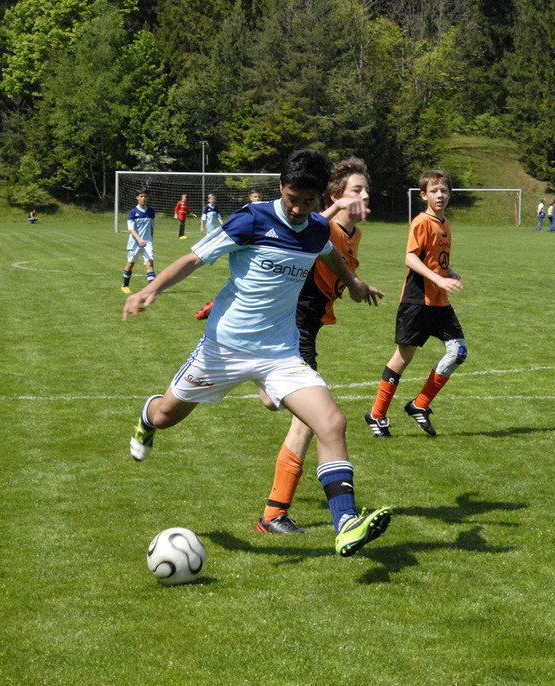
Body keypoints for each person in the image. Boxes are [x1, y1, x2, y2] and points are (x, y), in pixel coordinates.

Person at [123, 150, 391, 558]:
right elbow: (194, 258)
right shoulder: (252, 219)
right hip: (223, 350)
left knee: (332, 423)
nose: (298, 209)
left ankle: (345, 526)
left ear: (320, 197)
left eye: (307, 201)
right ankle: (147, 417)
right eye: (291, 199)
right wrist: (151, 289)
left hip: (280, 355)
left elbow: (328, 252)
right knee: (165, 417)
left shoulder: (317, 228)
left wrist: (353, 283)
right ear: (280, 188)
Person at [258, 157, 372, 535]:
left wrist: (357, 285)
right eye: (356, 190)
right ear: (335, 196)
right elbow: (305, 230)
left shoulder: (352, 235)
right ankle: (275, 514)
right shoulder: (325, 227)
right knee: (313, 421)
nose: (363, 196)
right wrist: (335, 209)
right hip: (293, 329)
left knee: (301, 419)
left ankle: (274, 514)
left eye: (365, 190)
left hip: (306, 331)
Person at [364, 169, 466, 439]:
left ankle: (419, 405)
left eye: (444, 190)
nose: (440, 195)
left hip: (440, 302)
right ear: (423, 195)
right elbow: (410, 258)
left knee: (458, 351)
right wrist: (438, 279)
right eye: (434, 191)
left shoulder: (444, 223)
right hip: (417, 300)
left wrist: (448, 273)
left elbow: (432, 259)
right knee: (403, 358)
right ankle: (377, 414)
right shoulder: (422, 221)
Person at [121, 188, 156, 294]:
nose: (143, 198)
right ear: (137, 198)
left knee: (150, 264)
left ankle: (152, 289)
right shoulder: (133, 212)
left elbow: (151, 227)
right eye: (141, 196)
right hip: (135, 243)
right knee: (130, 264)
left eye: (145, 196)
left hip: (147, 243)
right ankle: (125, 285)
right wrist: (139, 239)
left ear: (148, 197)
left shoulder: (151, 211)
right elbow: (131, 229)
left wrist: (150, 240)